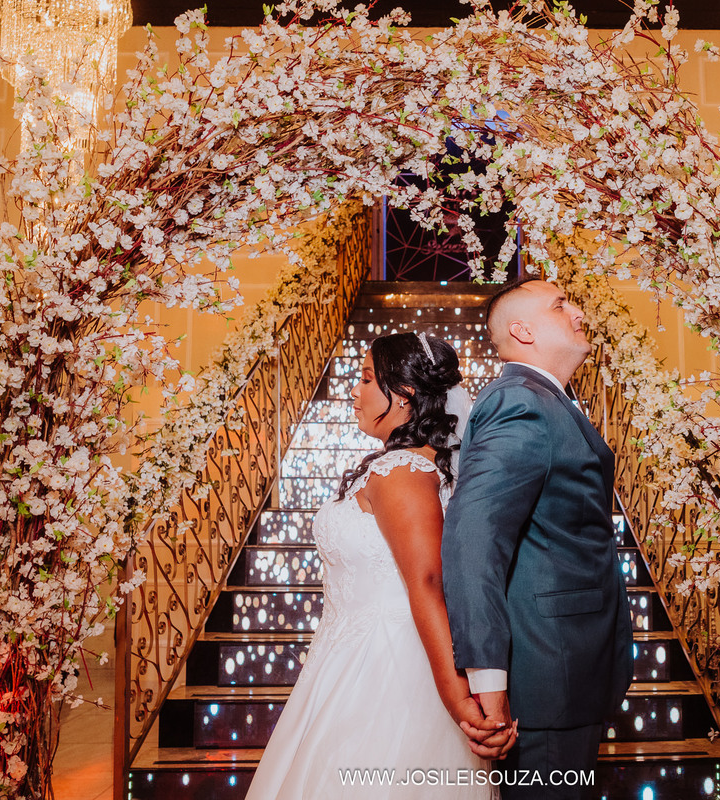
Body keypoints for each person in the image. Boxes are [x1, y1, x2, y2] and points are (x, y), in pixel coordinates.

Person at [247, 332, 515, 799]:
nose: (354, 389)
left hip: (387, 668)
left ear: (406, 395)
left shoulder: (403, 472)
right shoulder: (407, 465)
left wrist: (456, 699)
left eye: (367, 378)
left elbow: (428, 581)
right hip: (348, 654)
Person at [442, 279, 634, 799]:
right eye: (560, 303)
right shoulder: (519, 403)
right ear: (521, 330)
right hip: (547, 676)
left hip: (569, 671)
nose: (577, 309)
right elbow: (473, 541)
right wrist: (488, 682)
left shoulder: (548, 400)